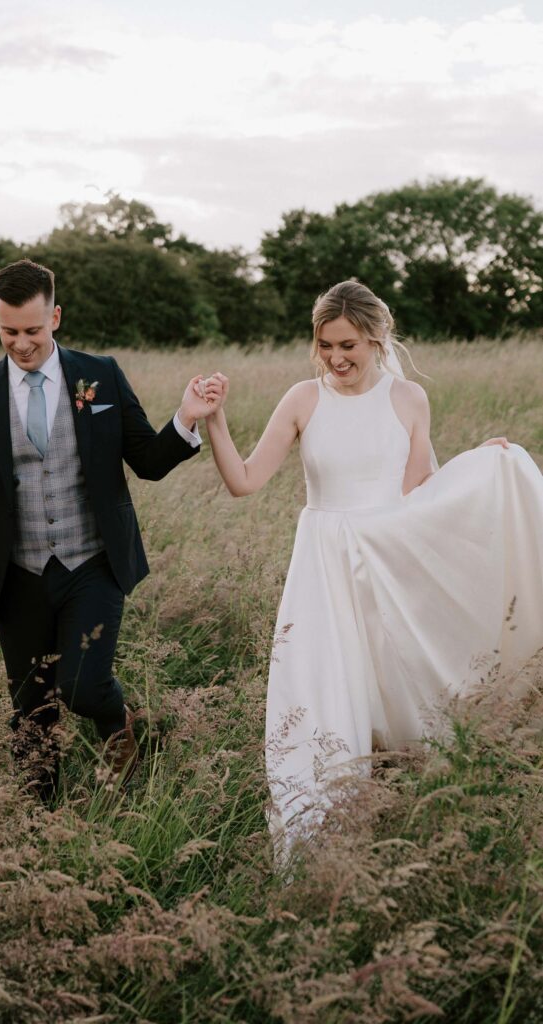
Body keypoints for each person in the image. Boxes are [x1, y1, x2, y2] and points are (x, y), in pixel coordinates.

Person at [203, 279, 543, 865]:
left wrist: (483, 464)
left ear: (378, 338)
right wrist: (215, 421)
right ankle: (318, 830)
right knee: (320, 688)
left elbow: (419, 491)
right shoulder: (303, 400)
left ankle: (406, 807)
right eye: (326, 345)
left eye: (350, 346)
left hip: (387, 560)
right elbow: (244, 482)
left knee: (395, 684)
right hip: (322, 563)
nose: (336, 358)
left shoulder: (408, 399)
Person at [0, 258, 222, 801]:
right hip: (18, 573)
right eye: (8, 331)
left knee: (82, 686)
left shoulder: (99, 374)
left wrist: (185, 419)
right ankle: (42, 822)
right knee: (32, 708)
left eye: (32, 330)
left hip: (92, 562)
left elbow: (148, 462)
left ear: (55, 316)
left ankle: (123, 724)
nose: (20, 343)